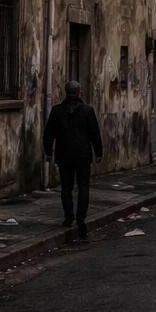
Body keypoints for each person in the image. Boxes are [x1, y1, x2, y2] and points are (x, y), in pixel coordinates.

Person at [43, 80, 103, 238]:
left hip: (64, 155)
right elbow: (94, 134)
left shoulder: (57, 111)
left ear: (66, 92)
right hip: (83, 155)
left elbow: (49, 133)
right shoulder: (87, 110)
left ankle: (69, 217)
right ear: (79, 92)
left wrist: (48, 152)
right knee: (83, 186)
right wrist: (99, 153)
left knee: (66, 187)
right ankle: (81, 217)